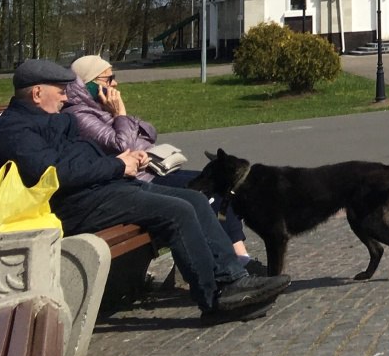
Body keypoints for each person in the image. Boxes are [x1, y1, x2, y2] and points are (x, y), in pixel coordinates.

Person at [0, 58, 290, 323]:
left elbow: (83, 159)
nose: (66, 98)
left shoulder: (55, 120)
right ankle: (214, 300)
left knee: (195, 199)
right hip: (71, 206)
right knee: (176, 212)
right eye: (60, 92)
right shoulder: (14, 130)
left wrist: (125, 162)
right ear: (37, 93)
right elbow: (53, 174)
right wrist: (117, 165)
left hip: (101, 191)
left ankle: (234, 279)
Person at [62, 55, 256, 269]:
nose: (115, 83)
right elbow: (122, 144)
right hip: (137, 181)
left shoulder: (100, 109)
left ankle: (240, 256)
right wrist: (120, 114)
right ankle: (228, 263)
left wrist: (118, 118)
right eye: (109, 79)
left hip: (154, 170)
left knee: (222, 184)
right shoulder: (79, 114)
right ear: (88, 84)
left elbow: (149, 132)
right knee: (202, 196)